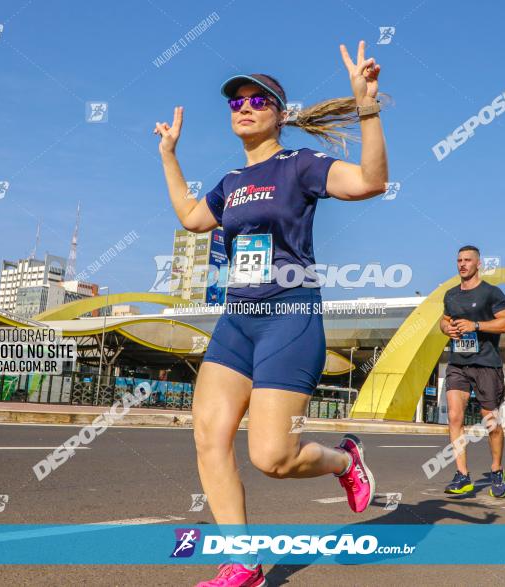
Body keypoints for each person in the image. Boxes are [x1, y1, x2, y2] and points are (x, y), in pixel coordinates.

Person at [154, 41, 388, 587]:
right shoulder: (231, 184)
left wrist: (367, 108)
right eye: (235, 102)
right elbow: (192, 217)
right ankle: (242, 562)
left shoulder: (300, 166)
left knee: (272, 456)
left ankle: (343, 461)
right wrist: (169, 156)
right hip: (237, 322)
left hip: (290, 317)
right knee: (208, 438)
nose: (245, 107)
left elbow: (371, 182)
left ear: (279, 113)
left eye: (257, 100)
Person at [439, 246, 505, 498]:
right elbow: (444, 319)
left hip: (486, 363)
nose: (462, 264)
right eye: (459, 260)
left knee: (490, 423)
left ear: (478, 263)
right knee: (454, 417)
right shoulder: (451, 295)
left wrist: (476, 325)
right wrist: (446, 329)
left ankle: (496, 469)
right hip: (458, 363)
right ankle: (462, 475)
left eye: (467, 260)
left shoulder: (491, 293)